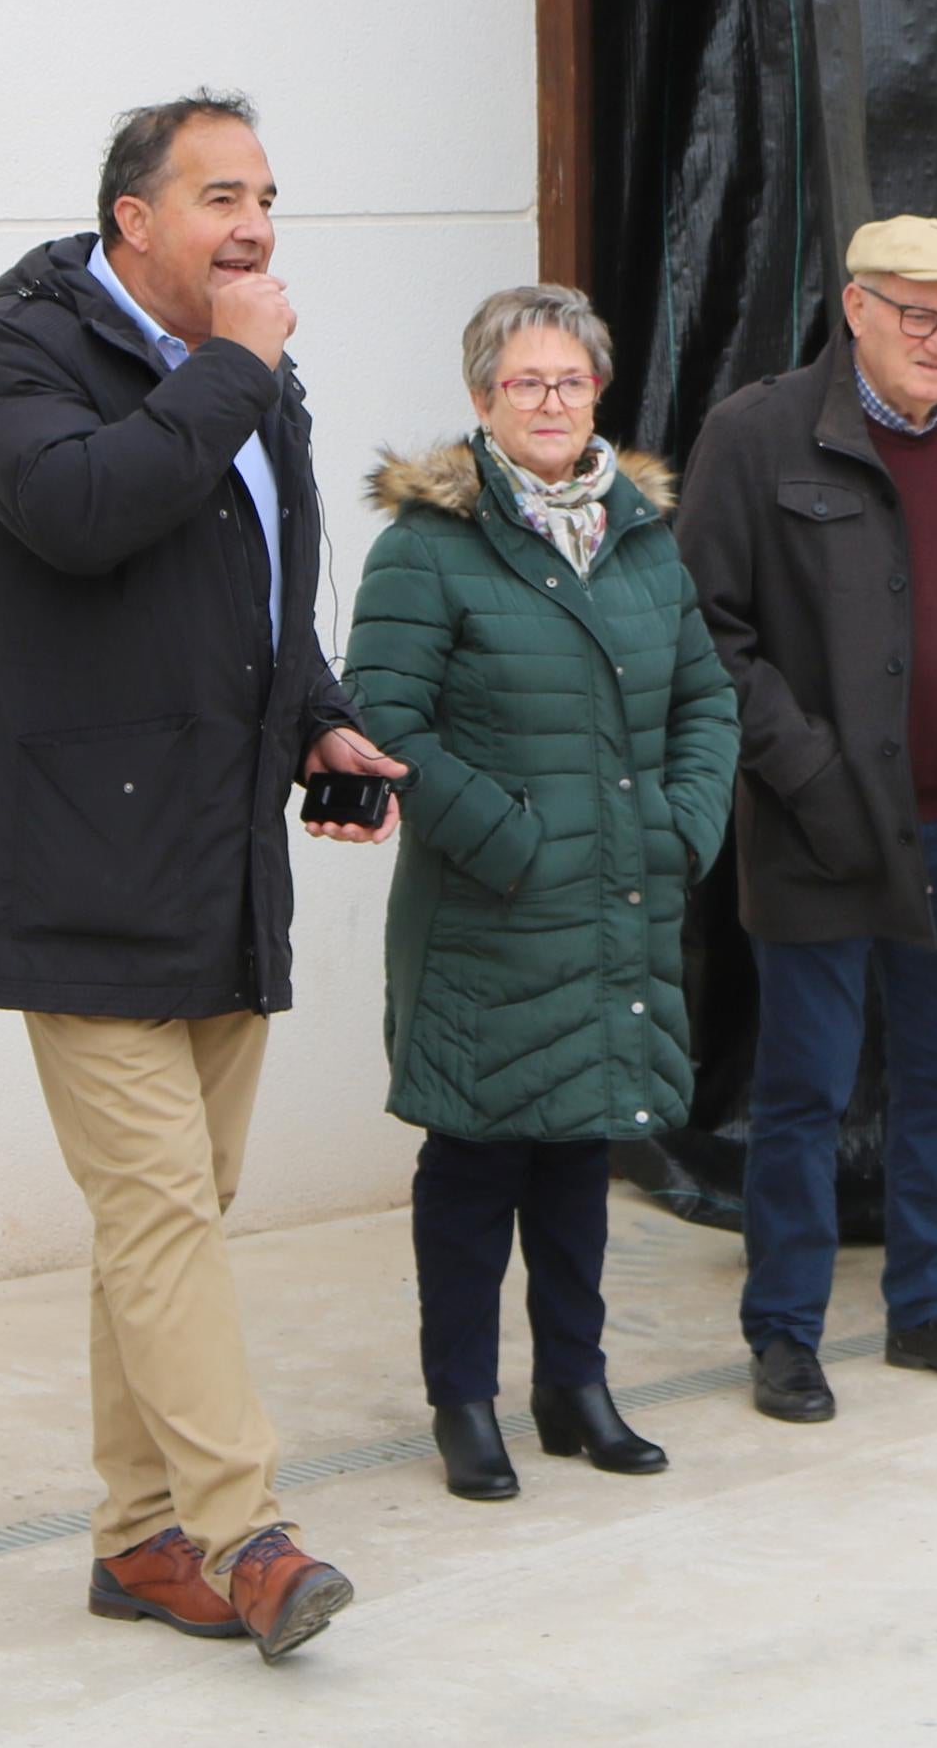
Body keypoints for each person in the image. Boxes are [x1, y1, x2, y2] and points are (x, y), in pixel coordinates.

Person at [0, 90, 409, 1663]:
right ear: (130, 217)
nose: (254, 222)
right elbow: (81, 516)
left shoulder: (244, 371)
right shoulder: (9, 355)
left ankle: (137, 1539)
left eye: (266, 191)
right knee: (161, 1216)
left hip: (217, 860)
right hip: (74, 861)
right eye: (218, 194)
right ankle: (244, 1532)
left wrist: (320, 721)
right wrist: (234, 367)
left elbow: (268, 593)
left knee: (171, 1221)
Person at [675, 216, 937, 1424]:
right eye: (918, 314)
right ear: (854, 306)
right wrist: (799, 772)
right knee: (801, 1092)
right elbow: (706, 633)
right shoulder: (754, 435)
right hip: (817, 830)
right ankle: (784, 1335)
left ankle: (926, 1309)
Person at [346, 284, 739, 1503]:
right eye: (526, 383)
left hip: (614, 905)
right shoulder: (428, 546)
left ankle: (574, 1386)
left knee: (578, 1159)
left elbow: (706, 702)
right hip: (485, 917)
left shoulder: (638, 538)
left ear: (597, 395)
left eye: (570, 381)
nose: (552, 402)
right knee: (472, 1171)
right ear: (481, 401)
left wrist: (679, 829)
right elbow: (381, 716)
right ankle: (462, 1402)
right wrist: (510, 842)